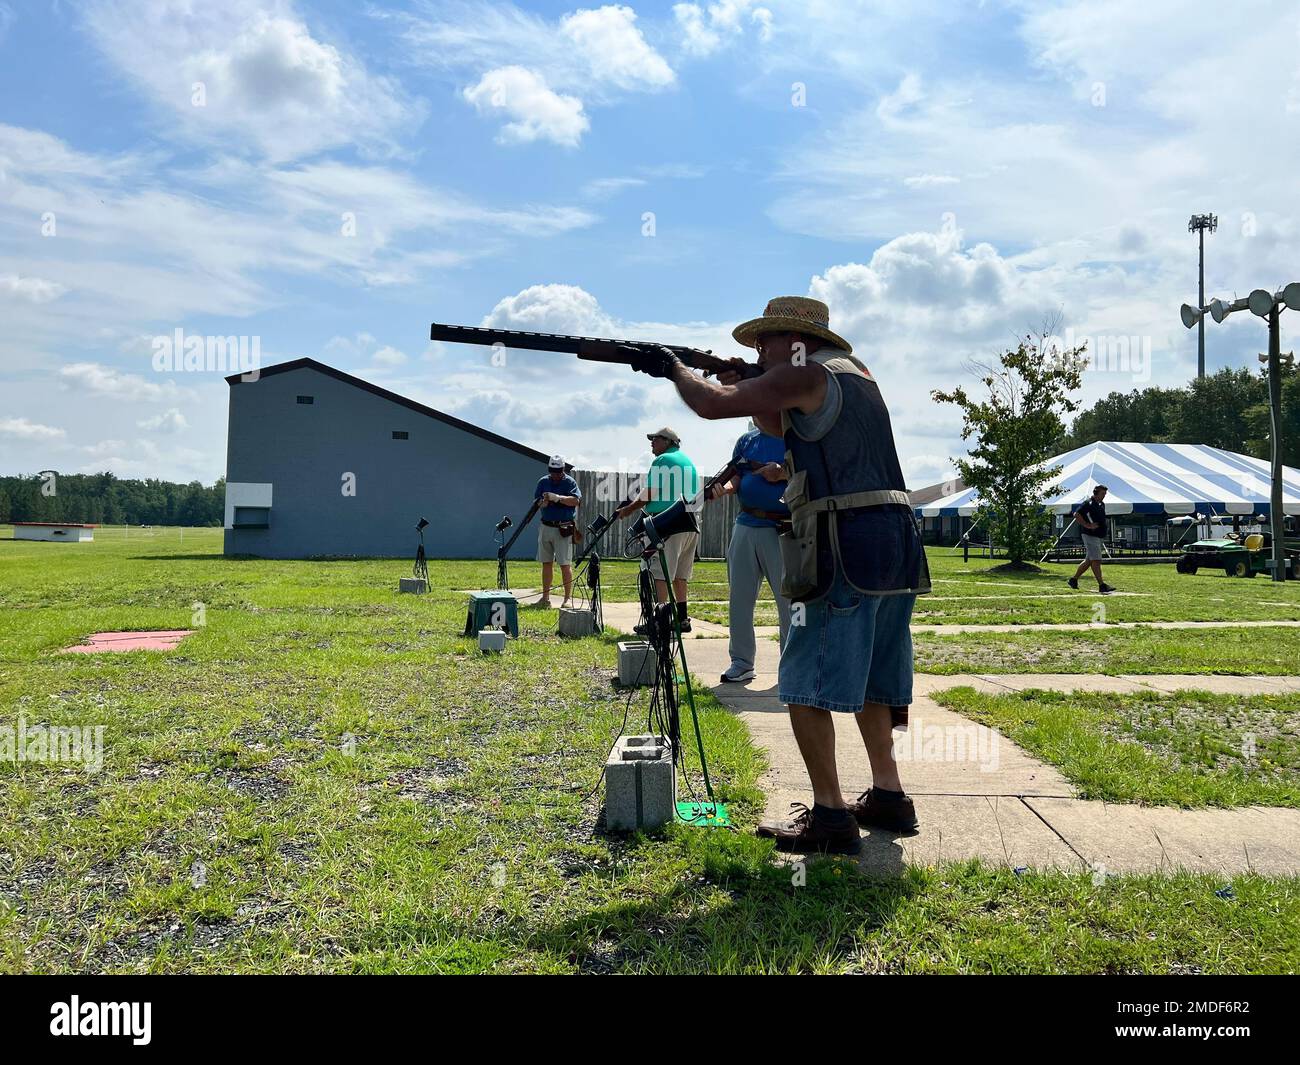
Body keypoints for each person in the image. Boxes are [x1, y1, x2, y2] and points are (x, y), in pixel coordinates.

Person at [627, 296, 930, 855]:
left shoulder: (804, 372)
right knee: (874, 678)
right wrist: (746, 380)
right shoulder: (855, 376)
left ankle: (831, 817)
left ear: (790, 340)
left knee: (804, 682)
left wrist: (674, 366)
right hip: (893, 535)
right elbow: (778, 422)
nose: (756, 350)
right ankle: (889, 795)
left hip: (842, 538)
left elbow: (711, 405)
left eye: (762, 342)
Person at [706, 424, 792, 683]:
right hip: (745, 523)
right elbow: (737, 475)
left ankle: (792, 667)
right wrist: (726, 489)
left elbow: (814, 473)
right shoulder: (746, 440)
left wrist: (783, 473)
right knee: (739, 600)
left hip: (784, 528)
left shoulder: (796, 435)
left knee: (789, 602)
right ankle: (742, 662)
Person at [615, 427, 700, 633]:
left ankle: (659, 622)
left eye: (655, 439)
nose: (651, 442)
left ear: (668, 441)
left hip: (668, 524)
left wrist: (628, 509)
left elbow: (648, 494)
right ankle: (682, 620)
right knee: (681, 575)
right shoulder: (687, 462)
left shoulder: (662, 461)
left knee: (660, 574)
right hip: (690, 523)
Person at [535, 455, 581, 608]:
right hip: (546, 526)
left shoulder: (569, 482)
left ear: (562, 470)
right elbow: (537, 502)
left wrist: (557, 498)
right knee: (546, 563)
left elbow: (575, 501)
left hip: (563, 528)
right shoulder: (543, 482)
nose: (555, 474)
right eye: (552, 471)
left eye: (558, 471)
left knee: (564, 564)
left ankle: (567, 599)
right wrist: (544, 502)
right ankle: (545, 598)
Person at [1068, 485, 1115, 594]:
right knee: (1096, 560)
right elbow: (1076, 514)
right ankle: (1102, 585)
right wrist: (1087, 525)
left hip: (1098, 536)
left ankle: (1073, 580)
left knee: (1089, 560)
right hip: (1090, 535)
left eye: (1105, 494)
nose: (1104, 496)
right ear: (1096, 493)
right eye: (1102, 494)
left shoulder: (1101, 504)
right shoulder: (1088, 503)